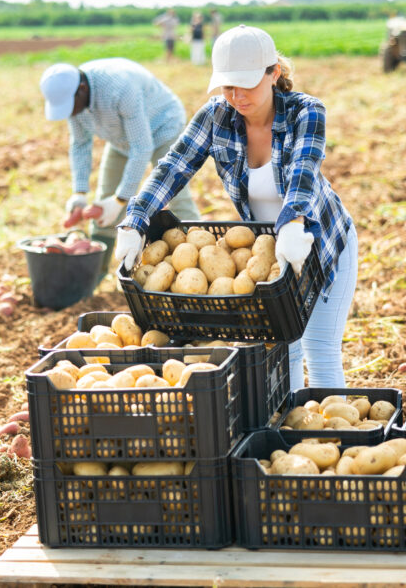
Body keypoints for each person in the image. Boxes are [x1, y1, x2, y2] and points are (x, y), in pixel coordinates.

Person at [113, 25, 358, 390]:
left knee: (319, 350)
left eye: (246, 84)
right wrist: (135, 220)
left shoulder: (305, 112)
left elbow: (302, 175)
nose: (236, 95)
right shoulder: (216, 117)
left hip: (320, 241)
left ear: (273, 73)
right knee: (281, 353)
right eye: (228, 86)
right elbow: (173, 167)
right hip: (268, 254)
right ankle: (292, 438)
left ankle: (333, 434)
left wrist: (292, 222)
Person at [39, 58, 202, 282]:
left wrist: (120, 200)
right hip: (121, 139)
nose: (71, 113)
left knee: (176, 198)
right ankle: (94, 275)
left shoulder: (119, 88)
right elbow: (80, 145)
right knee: (103, 201)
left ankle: (197, 263)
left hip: (163, 127)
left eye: (70, 106)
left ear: (82, 89)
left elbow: (142, 147)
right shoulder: (75, 103)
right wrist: (79, 194)